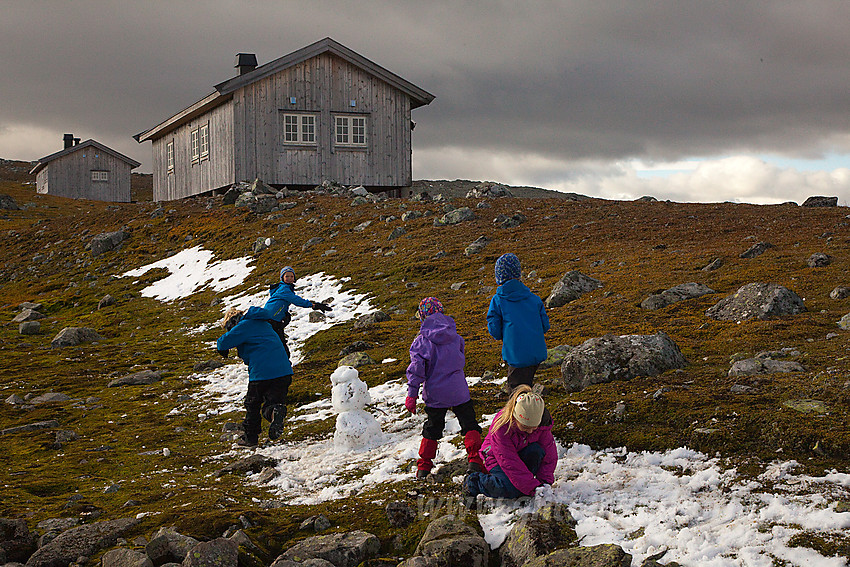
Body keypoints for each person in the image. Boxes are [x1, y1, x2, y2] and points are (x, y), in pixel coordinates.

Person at [405, 297, 484, 479]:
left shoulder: (421, 342)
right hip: (458, 390)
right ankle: (475, 461)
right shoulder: (455, 337)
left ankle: (423, 467)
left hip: (436, 393)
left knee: (433, 427)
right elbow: (461, 359)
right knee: (469, 423)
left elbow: (416, 371)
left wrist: (412, 395)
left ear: (422, 317)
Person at [462, 385, 557, 499]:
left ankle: (524, 485)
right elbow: (510, 462)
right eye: (525, 427)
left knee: (536, 451)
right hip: (496, 458)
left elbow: (549, 457)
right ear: (516, 418)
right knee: (510, 489)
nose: (531, 431)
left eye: (534, 427)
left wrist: (544, 484)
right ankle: (474, 481)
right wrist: (532, 488)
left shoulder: (542, 426)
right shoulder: (502, 427)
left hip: (519, 454)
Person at [217, 306, 292, 447]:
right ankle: (274, 412)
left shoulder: (244, 325)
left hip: (262, 372)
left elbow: (223, 342)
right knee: (272, 402)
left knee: (252, 404)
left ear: (232, 322)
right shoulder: (263, 322)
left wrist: (223, 349)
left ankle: (250, 438)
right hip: (283, 370)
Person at [486, 253, 550, 390]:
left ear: (499, 276)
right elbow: (545, 326)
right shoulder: (534, 299)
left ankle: (529, 411)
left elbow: (495, 331)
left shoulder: (498, 300)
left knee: (516, 393)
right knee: (526, 386)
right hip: (536, 354)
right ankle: (533, 408)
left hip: (516, 356)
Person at [264, 266, 331, 355]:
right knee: (280, 347)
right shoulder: (284, 289)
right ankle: (284, 365)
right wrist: (314, 305)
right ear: (282, 278)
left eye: (291, 276)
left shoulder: (282, 288)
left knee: (277, 344)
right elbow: (297, 301)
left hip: (272, 320)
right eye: (287, 276)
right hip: (272, 321)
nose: (289, 278)